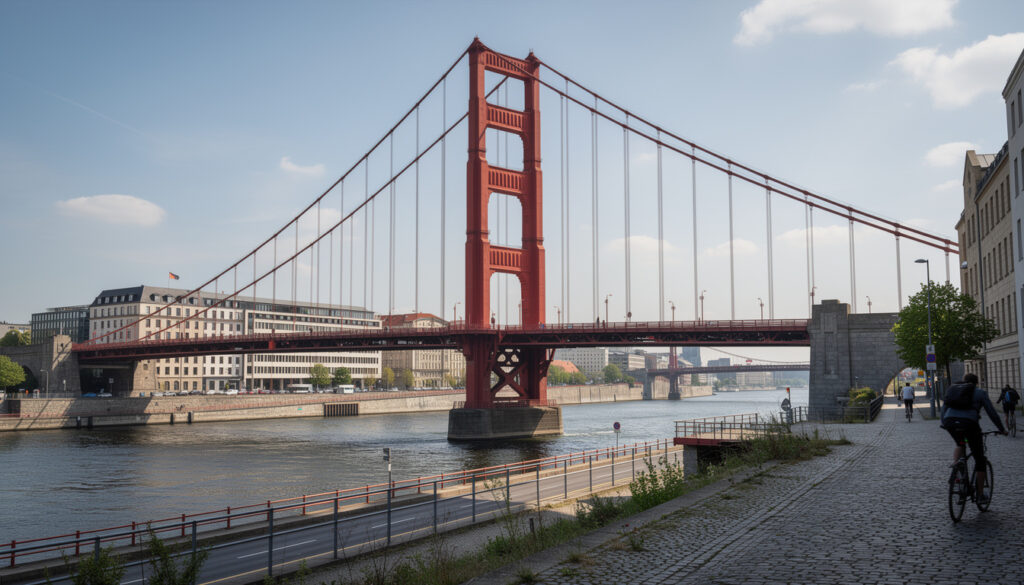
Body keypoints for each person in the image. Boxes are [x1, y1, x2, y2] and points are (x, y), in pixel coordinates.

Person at [941, 373, 1007, 505]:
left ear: (964, 381)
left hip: (951, 423)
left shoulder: (954, 390)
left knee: (960, 442)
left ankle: (956, 467)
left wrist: (944, 423)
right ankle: (981, 494)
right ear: (976, 383)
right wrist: (1001, 428)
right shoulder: (979, 393)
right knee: (980, 459)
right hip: (969, 424)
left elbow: (944, 409)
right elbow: (991, 412)